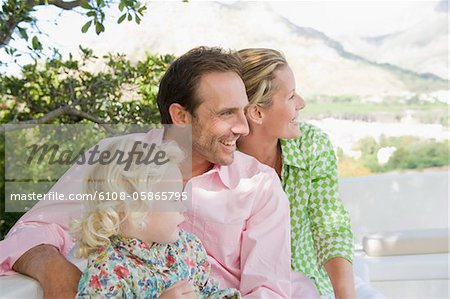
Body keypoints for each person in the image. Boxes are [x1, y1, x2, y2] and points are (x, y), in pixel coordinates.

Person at [0, 46, 294, 298]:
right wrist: (53, 270)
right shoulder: (113, 160)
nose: (243, 128)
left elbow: (268, 290)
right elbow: (29, 231)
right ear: (180, 116)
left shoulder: (260, 185)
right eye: (227, 113)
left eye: (244, 111)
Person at [235, 48, 357, 299]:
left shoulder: (311, 143)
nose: (301, 102)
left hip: (310, 285)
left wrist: (345, 296)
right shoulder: (222, 163)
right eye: (291, 96)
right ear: (257, 112)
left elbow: (330, 226)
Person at [72, 137, 240, 298]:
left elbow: (207, 291)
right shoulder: (108, 269)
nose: (182, 207)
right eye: (173, 199)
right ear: (134, 207)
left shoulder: (188, 248)